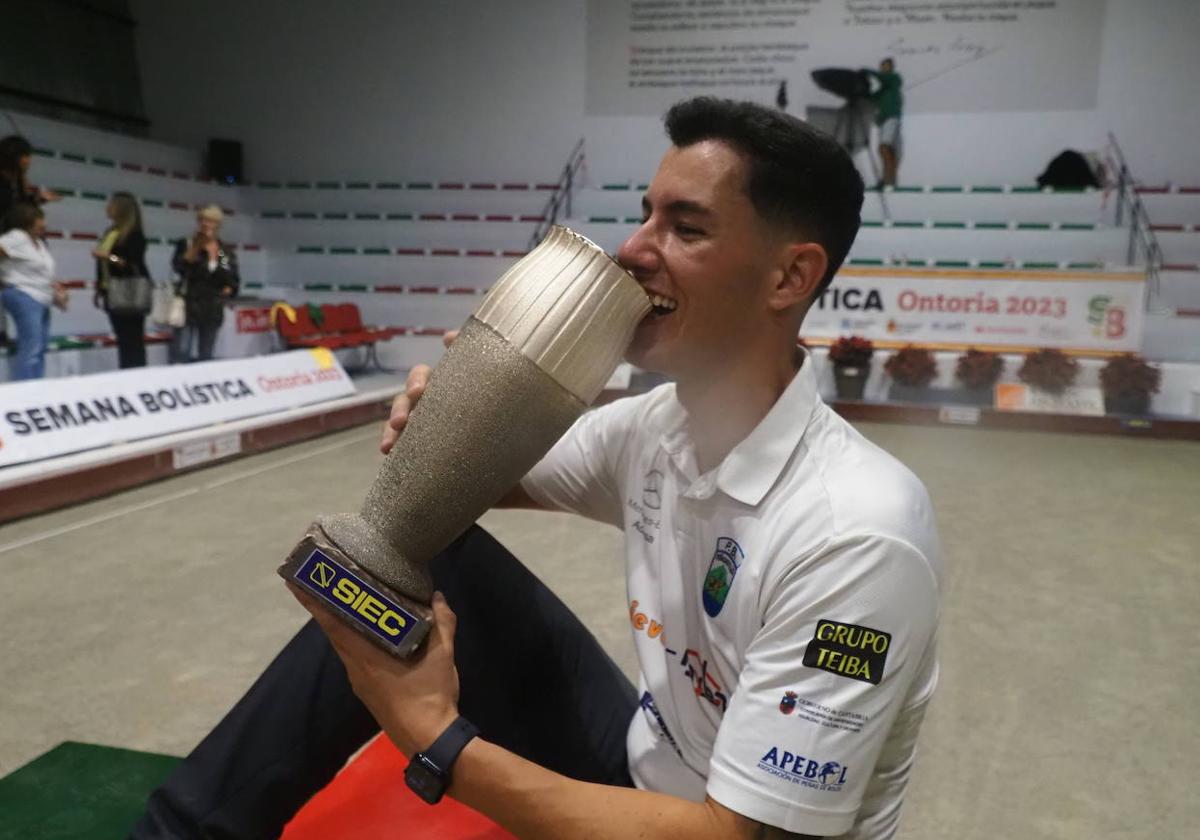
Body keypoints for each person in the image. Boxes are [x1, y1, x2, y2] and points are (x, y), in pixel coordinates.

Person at [133, 98, 942, 839]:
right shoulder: (656, 427)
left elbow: (735, 837)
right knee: (417, 545)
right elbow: (462, 478)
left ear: (789, 276)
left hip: (715, 828)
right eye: (644, 217)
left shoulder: (858, 532)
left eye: (685, 228)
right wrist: (461, 406)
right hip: (642, 763)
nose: (634, 249)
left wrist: (434, 737)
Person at [0, 203, 66, 380]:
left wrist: (56, 292)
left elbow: (42, 272)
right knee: (32, 348)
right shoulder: (17, 237)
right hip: (23, 295)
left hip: (41, 297)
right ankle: (25, 392)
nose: (44, 223)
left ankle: (37, 387)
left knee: (40, 347)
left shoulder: (37, 242)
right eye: (41, 219)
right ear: (28, 220)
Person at [169, 205, 239, 363]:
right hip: (188, 304)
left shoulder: (224, 251)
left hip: (212, 306)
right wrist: (195, 248)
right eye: (202, 219)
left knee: (206, 354)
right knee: (181, 351)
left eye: (210, 221)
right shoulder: (186, 244)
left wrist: (228, 289)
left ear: (218, 225)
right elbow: (179, 267)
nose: (205, 224)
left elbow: (232, 278)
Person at [93, 192, 152, 368]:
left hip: (130, 291)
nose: (107, 208)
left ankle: (136, 372)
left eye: (111, 204)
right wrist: (100, 288)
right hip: (111, 289)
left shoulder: (134, 234)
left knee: (133, 339)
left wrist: (108, 257)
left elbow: (130, 263)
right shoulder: (110, 232)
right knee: (122, 338)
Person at [0, 134, 60, 228]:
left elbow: (21, 206)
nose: (29, 161)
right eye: (26, 156)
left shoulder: (18, 180)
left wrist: (38, 199)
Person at [864, 59, 903, 187]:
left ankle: (889, 180)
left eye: (886, 67)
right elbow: (869, 99)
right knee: (883, 149)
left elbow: (884, 78)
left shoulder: (895, 79)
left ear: (891, 68)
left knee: (885, 148)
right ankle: (887, 179)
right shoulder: (881, 91)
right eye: (882, 67)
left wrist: (868, 72)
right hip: (883, 122)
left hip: (892, 118)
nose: (883, 69)